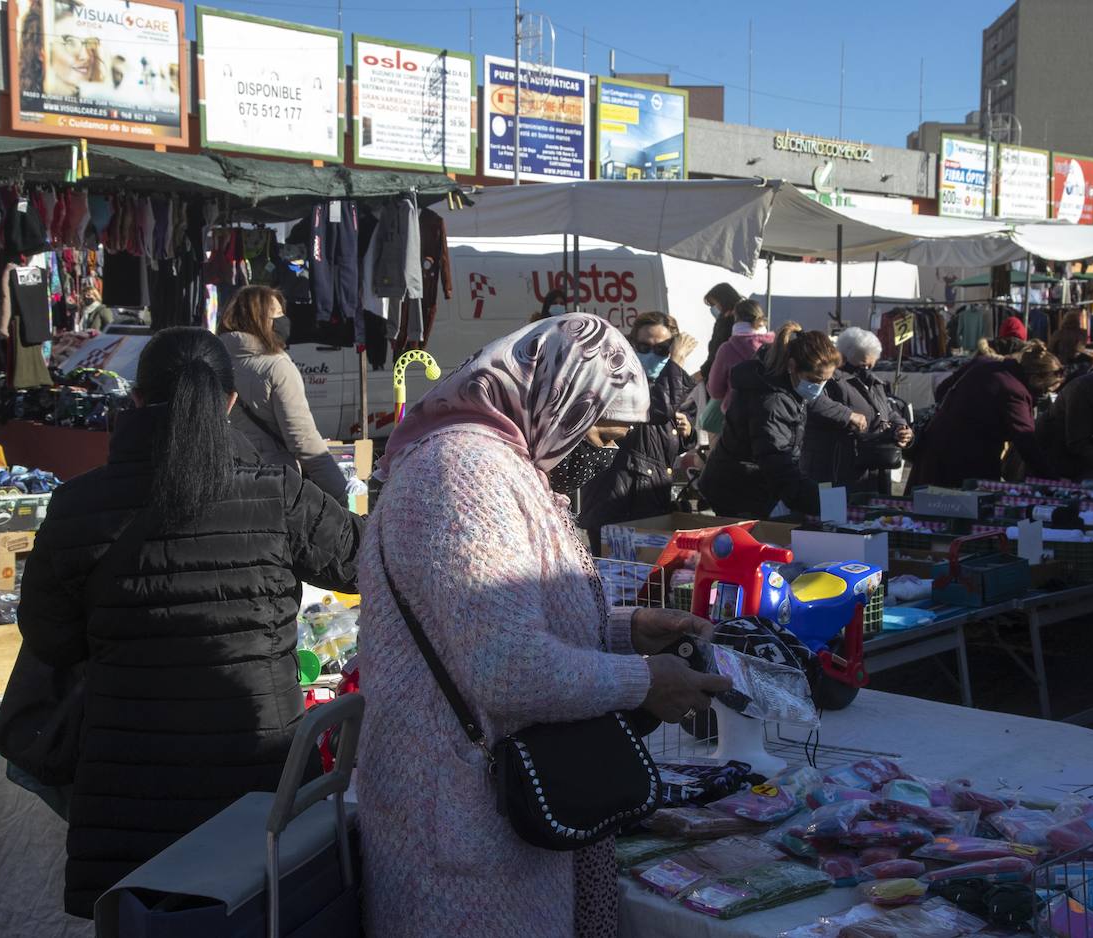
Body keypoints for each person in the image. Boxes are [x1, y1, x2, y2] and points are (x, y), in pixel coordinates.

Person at [357, 313, 729, 938]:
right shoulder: (463, 474)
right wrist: (642, 682)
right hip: (454, 820)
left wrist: (624, 630)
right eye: (603, 437)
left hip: (488, 805)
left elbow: (503, 623)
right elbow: (507, 668)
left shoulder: (505, 463)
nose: (605, 455)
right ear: (561, 399)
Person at [17, 328, 362, 917]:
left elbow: (49, 637)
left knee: (142, 924)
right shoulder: (278, 493)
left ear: (135, 400)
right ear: (230, 401)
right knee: (255, 919)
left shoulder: (76, 505)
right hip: (257, 776)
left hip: (126, 787)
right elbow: (364, 563)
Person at [218, 285, 348, 500]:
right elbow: (304, 441)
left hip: (225, 481)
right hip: (273, 484)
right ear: (258, 320)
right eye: (277, 314)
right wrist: (342, 492)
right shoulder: (276, 367)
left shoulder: (211, 360)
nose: (283, 320)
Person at [698, 329, 843, 518]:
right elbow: (776, 461)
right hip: (740, 489)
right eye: (815, 380)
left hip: (744, 484)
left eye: (825, 381)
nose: (819, 388)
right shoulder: (772, 401)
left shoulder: (784, 389)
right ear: (792, 366)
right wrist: (820, 502)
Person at [578, 311, 697, 534]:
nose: (651, 354)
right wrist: (677, 362)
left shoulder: (674, 385)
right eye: (644, 347)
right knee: (615, 567)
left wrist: (688, 433)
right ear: (632, 344)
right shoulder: (616, 377)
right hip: (615, 499)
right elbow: (654, 410)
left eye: (661, 349)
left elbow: (673, 444)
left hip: (652, 499)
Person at [909, 341, 1063, 488]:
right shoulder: (1015, 392)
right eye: (1046, 389)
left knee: (921, 509)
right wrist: (1052, 479)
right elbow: (1026, 441)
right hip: (966, 464)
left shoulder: (984, 363)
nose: (1045, 395)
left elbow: (942, 389)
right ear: (1036, 379)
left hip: (934, 448)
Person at [803, 327, 912, 492]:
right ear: (844, 358)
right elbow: (814, 404)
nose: (867, 370)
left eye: (871, 365)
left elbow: (888, 411)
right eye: (862, 365)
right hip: (836, 470)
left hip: (873, 472)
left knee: (871, 515)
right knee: (833, 515)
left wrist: (901, 428)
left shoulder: (874, 382)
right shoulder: (829, 380)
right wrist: (849, 416)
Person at [707, 298, 775, 411]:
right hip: (772, 414)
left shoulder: (727, 350)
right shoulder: (777, 347)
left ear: (736, 319)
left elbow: (715, 391)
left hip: (738, 417)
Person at [699, 282, 743, 382]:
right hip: (717, 373)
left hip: (726, 378)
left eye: (714, 304)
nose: (713, 308)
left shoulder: (734, 322)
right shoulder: (722, 320)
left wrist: (702, 373)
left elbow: (718, 353)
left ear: (724, 300)